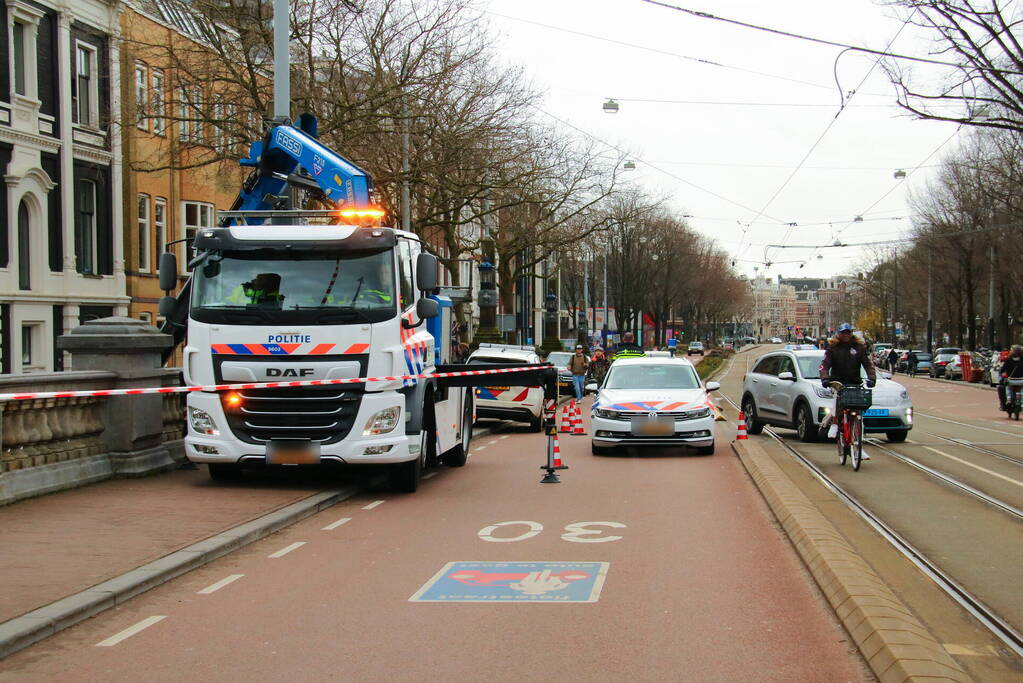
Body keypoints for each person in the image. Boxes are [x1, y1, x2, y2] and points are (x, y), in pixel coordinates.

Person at [819, 323, 877, 446]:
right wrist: (825, 378)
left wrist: (872, 378)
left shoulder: (859, 348)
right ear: (839, 334)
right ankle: (834, 424)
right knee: (837, 402)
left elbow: (868, 364)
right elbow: (824, 365)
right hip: (838, 381)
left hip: (854, 381)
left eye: (848, 332)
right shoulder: (832, 348)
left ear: (851, 334)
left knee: (857, 408)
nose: (846, 335)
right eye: (843, 333)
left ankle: (857, 437)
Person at [998, 345, 1023, 411]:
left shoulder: (1008, 360)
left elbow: (1002, 370)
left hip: (1011, 380)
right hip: (1021, 380)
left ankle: (1007, 400)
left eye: (1011, 350)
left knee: (1006, 387)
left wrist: (1003, 374)